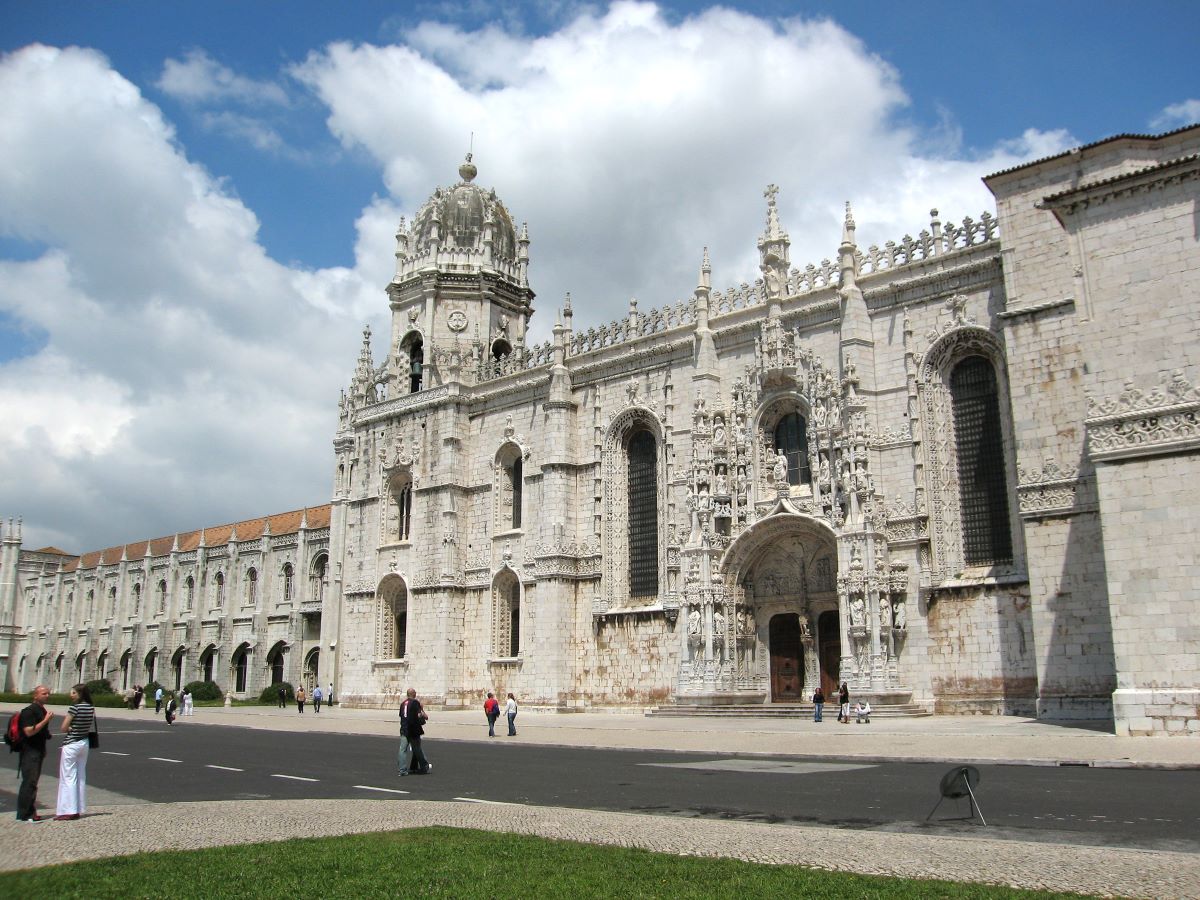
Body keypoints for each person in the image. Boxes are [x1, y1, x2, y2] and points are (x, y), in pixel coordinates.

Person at [55, 683, 95, 820]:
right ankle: (78, 808)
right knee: (80, 775)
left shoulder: (74, 708)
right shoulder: (90, 708)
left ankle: (69, 810)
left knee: (68, 777)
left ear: (79, 694)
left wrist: (71, 728)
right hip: (84, 743)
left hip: (72, 744)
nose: (70, 695)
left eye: (73, 693)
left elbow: (63, 727)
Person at [15, 684, 54, 822]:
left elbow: (42, 732)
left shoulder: (42, 710)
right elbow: (29, 731)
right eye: (44, 693)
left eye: (48, 693)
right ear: (35, 695)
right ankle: (24, 814)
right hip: (29, 751)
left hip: (38, 750)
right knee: (29, 782)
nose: (47, 695)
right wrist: (45, 721)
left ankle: (29, 811)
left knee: (32, 782)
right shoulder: (29, 711)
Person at [401, 688, 431, 774]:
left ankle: (405, 769)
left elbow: (402, 716)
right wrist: (421, 710)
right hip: (414, 730)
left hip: (404, 729)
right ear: (414, 694)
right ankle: (424, 766)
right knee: (417, 749)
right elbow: (422, 716)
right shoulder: (415, 703)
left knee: (403, 750)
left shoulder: (403, 704)